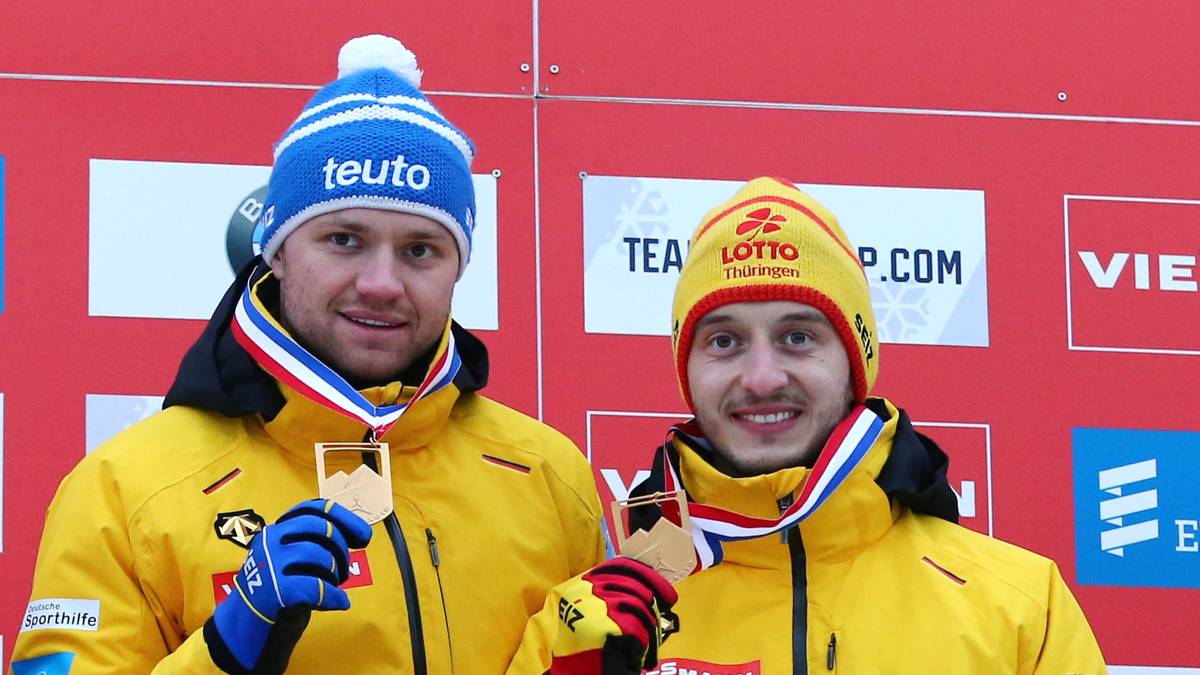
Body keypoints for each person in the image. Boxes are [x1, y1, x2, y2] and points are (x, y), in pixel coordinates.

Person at [11, 35, 673, 675]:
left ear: (457, 267)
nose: (382, 282)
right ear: (278, 248)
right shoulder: (125, 489)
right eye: (345, 239)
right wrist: (225, 650)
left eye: (420, 249)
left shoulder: (550, 477)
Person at [624, 177, 1108, 674]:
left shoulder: (1020, 605)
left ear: (856, 362)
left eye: (797, 337)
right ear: (688, 369)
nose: (762, 378)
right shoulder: (610, 618)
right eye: (724, 341)